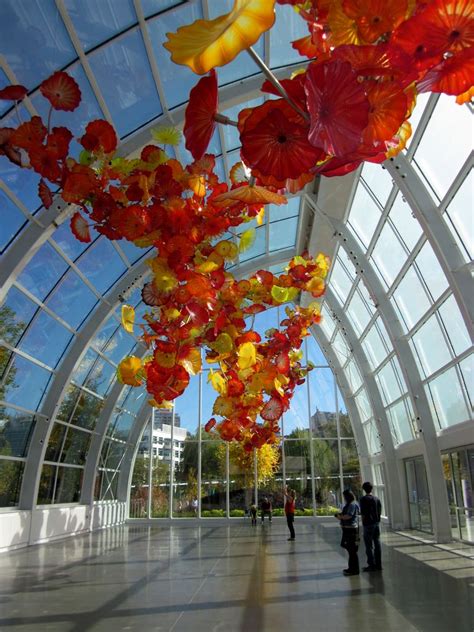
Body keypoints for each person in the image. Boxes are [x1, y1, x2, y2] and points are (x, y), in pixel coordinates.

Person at [335, 489, 359, 576]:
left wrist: (340, 517)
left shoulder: (352, 505)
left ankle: (354, 569)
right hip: (347, 528)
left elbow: (349, 516)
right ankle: (351, 568)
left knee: (352, 550)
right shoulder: (351, 504)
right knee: (350, 549)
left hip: (350, 529)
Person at [359, 481, 382, 572]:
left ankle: (371, 565)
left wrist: (363, 523)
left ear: (364, 489)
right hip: (376, 523)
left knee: (369, 545)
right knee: (377, 543)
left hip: (368, 524)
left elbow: (363, 513)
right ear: (372, 489)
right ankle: (378, 564)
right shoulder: (377, 499)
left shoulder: (363, 499)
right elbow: (379, 511)